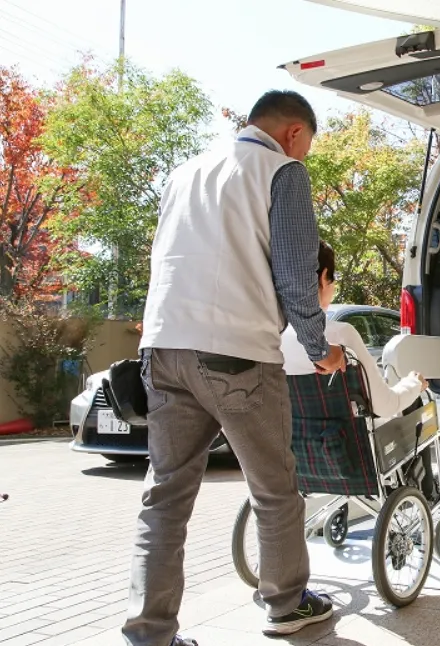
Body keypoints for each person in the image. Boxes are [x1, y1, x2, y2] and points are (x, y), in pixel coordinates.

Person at [123, 90, 344, 646]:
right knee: (274, 489)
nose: (304, 158)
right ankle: (288, 604)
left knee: (165, 497)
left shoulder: (184, 172)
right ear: (294, 133)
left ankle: (149, 634)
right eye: (307, 147)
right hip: (236, 353)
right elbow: (297, 274)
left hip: (163, 347)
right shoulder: (282, 171)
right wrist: (319, 348)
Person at [280, 241, 427, 416]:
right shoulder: (341, 334)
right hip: (346, 441)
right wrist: (414, 383)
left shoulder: (274, 335)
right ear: (324, 276)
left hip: (293, 441)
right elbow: (385, 406)